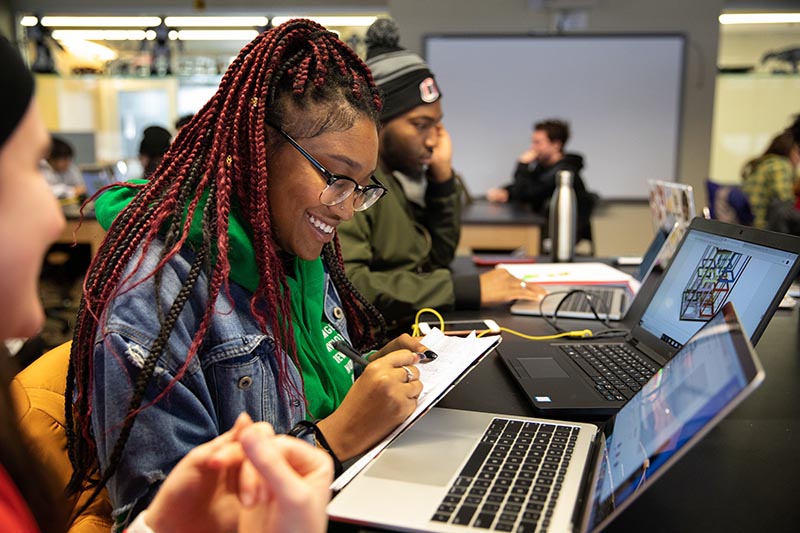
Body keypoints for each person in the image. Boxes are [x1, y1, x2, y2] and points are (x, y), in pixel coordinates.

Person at [66, 19, 430, 528]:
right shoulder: (154, 298)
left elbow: (301, 390)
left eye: (362, 187)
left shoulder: (294, 248)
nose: (347, 210)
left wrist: (365, 367)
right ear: (257, 150)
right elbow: (159, 516)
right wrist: (333, 442)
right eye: (336, 178)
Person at [0, 34, 333, 533]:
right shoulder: (158, 288)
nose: (55, 218)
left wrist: (160, 528)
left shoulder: (303, 261)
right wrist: (333, 441)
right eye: (31, 168)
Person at [337, 18, 545, 333]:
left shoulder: (397, 180)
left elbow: (435, 257)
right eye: (420, 125)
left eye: (437, 125)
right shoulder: (353, 185)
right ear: (378, 121)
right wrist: (466, 290)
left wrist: (442, 179)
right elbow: (350, 283)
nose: (434, 140)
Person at [487, 119, 594, 243]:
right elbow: (527, 185)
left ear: (556, 145)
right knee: (489, 242)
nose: (533, 147)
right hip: (541, 227)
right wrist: (506, 192)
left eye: (538, 143)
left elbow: (529, 193)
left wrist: (522, 165)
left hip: (555, 233)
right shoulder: (544, 167)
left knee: (495, 241)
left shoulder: (563, 172)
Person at [740, 129, 799, 229]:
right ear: (790, 150)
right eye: (798, 152)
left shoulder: (764, 163)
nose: (799, 159)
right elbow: (784, 206)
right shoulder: (781, 166)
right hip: (762, 230)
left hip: (747, 226)